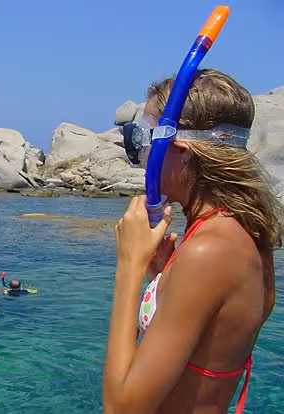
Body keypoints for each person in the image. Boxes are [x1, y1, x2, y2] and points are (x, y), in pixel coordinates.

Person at [103, 69, 282, 414]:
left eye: (143, 142)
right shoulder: (245, 230)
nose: (141, 162)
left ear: (182, 150)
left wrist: (128, 267)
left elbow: (120, 409)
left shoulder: (210, 249)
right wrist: (162, 276)